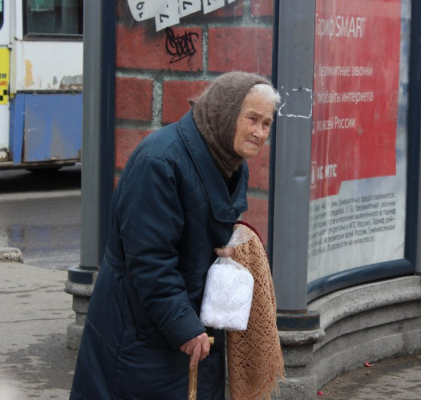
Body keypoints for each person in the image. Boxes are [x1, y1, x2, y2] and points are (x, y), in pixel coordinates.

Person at [69, 71, 280, 400]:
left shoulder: (228, 158)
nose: (259, 132)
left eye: (266, 124)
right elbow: (150, 259)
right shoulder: (161, 161)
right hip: (141, 328)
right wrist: (184, 326)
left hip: (183, 322)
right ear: (225, 113)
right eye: (252, 118)